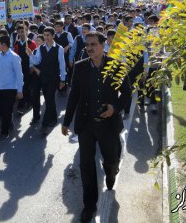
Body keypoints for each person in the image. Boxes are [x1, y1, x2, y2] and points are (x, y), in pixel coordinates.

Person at [62, 32, 131, 222]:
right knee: (86, 166)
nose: (89, 48)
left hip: (108, 126)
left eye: (93, 44)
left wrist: (114, 108)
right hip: (86, 126)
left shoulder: (116, 65)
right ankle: (89, 206)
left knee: (111, 160)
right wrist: (66, 122)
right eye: (87, 45)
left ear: (103, 46)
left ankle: (111, 172)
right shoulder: (80, 67)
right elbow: (74, 95)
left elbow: (127, 92)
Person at [28, 27, 67, 135]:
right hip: (43, 78)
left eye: (48, 35)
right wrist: (30, 54)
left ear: (53, 36)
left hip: (54, 78)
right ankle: (53, 118)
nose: (46, 37)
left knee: (49, 98)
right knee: (49, 99)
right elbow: (37, 60)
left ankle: (44, 125)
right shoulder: (40, 48)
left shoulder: (59, 48)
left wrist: (63, 79)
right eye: (44, 35)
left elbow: (62, 65)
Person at [0, 35, 24, 142]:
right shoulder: (0, 56)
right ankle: (8, 121)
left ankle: (4, 133)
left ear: (4, 44)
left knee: (7, 110)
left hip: (10, 88)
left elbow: (19, 75)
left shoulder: (14, 57)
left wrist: (20, 90)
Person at [13, 24, 37, 115]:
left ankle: (29, 101)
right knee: (21, 85)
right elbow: (15, 55)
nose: (21, 33)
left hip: (29, 67)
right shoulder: (16, 43)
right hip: (20, 67)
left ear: (27, 31)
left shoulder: (32, 43)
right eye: (19, 32)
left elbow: (34, 57)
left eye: (23, 31)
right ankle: (22, 103)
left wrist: (32, 66)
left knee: (28, 85)